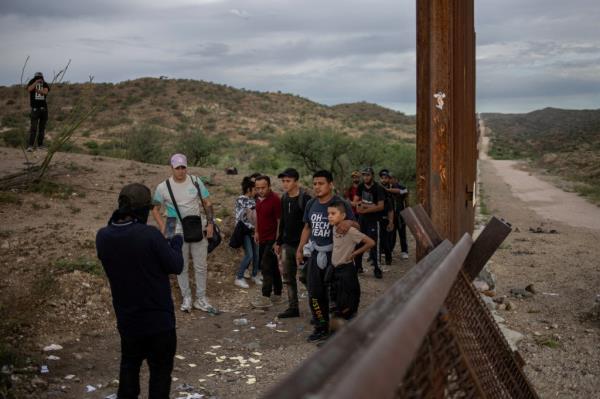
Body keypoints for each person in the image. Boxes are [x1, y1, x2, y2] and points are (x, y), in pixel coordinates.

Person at [96, 183, 184, 399]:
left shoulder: (103, 236)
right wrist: (175, 241)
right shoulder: (150, 235)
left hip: (128, 320)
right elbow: (175, 265)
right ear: (142, 210)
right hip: (158, 321)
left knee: (129, 370)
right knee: (160, 375)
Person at [151, 153, 217, 313]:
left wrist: (210, 223)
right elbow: (155, 208)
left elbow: (207, 202)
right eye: (177, 168)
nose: (181, 171)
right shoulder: (163, 187)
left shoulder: (195, 181)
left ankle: (201, 298)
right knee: (181, 265)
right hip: (174, 224)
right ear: (171, 168)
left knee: (201, 264)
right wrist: (163, 227)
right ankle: (186, 297)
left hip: (195, 222)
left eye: (183, 167)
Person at [296, 170, 357, 342]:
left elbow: (356, 225)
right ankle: (320, 326)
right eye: (315, 184)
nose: (317, 187)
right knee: (315, 294)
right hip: (316, 255)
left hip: (337, 256)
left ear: (330, 184)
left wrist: (348, 222)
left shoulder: (341, 204)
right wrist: (300, 249)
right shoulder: (311, 204)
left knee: (338, 297)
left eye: (321, 183)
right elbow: (307, 227)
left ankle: (337, 333)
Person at [274, 168, 312, 318]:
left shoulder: (306, 199)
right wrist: (278, 241)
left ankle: (317, 308)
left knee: (305, 277)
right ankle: (293, 308)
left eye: (288, 181)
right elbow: (282, 221)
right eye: (283, 181)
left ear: (296, 181)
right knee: (288, 278)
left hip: (302, 246)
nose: (285, 184)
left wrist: (303, 247)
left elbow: (308, 225)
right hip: (287, 244)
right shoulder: (284, 198)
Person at [328, 200, 374, 320]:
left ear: (343, 216)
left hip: (346, 269)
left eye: (333, 214)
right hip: (335, 268)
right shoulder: (334, 227)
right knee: (337, 298)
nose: (330, 216)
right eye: (329, 214)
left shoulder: (350, 231)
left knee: (349, 299)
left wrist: (355, 253)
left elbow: (371, 242)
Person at [251, 175, 283, 309]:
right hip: (262, 237)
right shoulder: (258, 199)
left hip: (272, 238)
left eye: (263, 188)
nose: (260, 190)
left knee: (265, 265)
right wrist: (257, 232)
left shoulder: (275, 199)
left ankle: (265, 297)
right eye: (257, 188)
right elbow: (258, 216)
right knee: (273, 266)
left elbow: (280, 221)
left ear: (269, 186)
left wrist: (277, 241)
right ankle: (278, 294)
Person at [353, 167, 387, 279]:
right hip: (362, 219)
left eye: (367, 175)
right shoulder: (361, 187)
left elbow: (381, 206)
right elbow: (355, 202)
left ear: (372, 175)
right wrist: (365, 206)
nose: (365, 177)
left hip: (374, 220)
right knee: (359, 242)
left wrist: (365, 207)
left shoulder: (378, 188)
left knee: (373, 243)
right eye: (364, 175)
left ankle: (377, 268)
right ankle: (358, 266)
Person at [233, 177, 261, 288]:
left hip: (254, 231)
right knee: (249, 255)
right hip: (244, 231)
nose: (257, 191)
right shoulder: (242, 199)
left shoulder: (254, 200)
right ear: (249, 189)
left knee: (256, 254)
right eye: (255, 189)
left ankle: (254, 275)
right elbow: (253, 212)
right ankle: (239, 277)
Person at [382, 170, 410, 260]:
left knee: (402, 233)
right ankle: (390, 250)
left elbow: (405, 191)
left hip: (400, 214)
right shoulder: (386, 187)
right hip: (391, 215)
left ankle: (404, 251)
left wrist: (388, 190)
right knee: (391, 234)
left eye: (391, 178)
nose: (390, 180)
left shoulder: (402, 187)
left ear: (395, 179)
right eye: (388, 178)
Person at [26, 72, 50, 151]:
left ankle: (40, 145)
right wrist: (35, 82)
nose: (39, 79)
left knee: (42, 129)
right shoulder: (32, 82)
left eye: (40, 78)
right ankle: (30, 146)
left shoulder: (45, 84)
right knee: (33, 128)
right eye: (37, 78)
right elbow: (29, 89)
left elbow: (45, 92)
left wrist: (37, 90)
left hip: (43, 109)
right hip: (35, 109)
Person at [378, 169, 396, 265]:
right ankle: (376, 258)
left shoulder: (390, 190)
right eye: (382, 178)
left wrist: (391, 221)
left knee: (385, 239)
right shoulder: (377, 189)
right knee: (376, 239)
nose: (384, 180)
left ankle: (388, 257)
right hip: (376, 217)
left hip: (386, 216)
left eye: (386, 178)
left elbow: (390, 209)